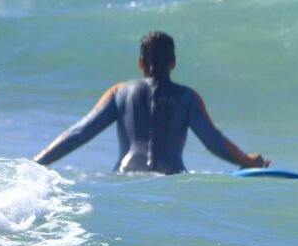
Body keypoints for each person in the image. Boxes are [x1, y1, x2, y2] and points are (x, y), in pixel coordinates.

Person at [32, 31, 268, 175]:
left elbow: (79, 133)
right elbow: (213, 141)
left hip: (127, 178)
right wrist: (247, 161)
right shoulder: (187, 97)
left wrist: (34, 164)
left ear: (140, 63)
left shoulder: (119, 92)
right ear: (173, 62)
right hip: (169, 178)